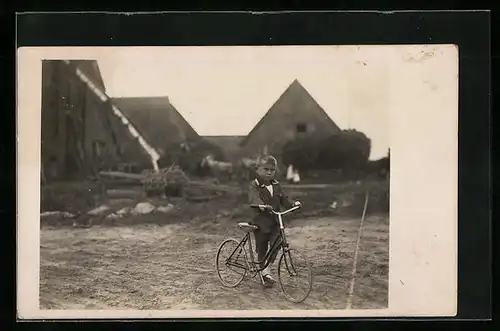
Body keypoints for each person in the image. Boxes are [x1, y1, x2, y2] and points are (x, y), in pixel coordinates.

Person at [248, 155, 302, 287]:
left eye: (272, 170)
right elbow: (253, 198)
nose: (269, 172)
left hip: (276, 221)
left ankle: (266, 269)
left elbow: (284, 198)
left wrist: (293, 204)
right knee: (262, 247)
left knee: (277, 243)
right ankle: (264, 272)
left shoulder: (276, 185)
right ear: (257, 170)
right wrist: (260, 205)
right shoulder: (255, 185)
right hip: (260, 222)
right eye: (265, 169)